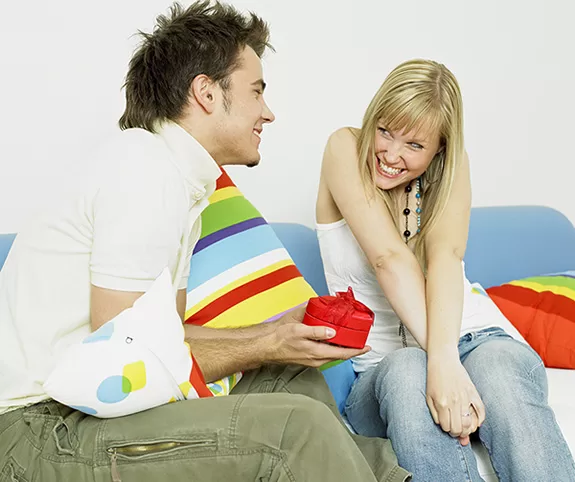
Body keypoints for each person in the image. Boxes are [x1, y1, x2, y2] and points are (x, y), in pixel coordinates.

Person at [0, 2, 410, 481]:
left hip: (81, 412)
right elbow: (125, 358)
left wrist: (280, 335)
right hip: (37, 431)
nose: (268, 113)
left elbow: (165, 338)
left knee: (289, 381)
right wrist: (268, 341)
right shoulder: (142, 168)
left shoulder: (181, 181)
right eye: (256, 91)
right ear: (206, 92)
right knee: (295, 430)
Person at [315, 58, 575, 481]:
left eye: (414, 145)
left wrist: (448, 362)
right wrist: (442, 365)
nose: (391, 155)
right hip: (384, 368)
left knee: (499, 372)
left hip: (475, 340)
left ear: (439, 148)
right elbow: (388, 258)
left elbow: (445, 259)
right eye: (385, 130)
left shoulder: (452, 166)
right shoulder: (344, 147)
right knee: (407, 370)